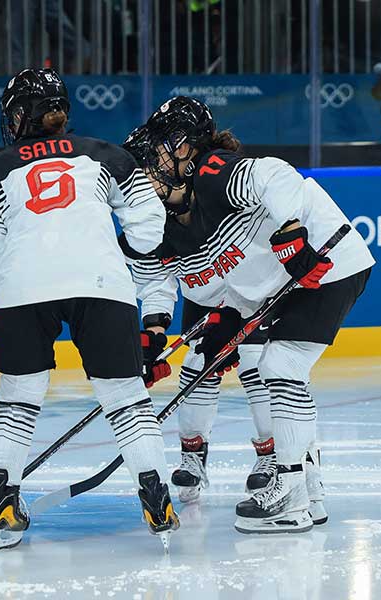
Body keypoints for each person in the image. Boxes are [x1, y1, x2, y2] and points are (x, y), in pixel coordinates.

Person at [134, 96, 374, 534]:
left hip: (327, 260)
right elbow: (238, 271)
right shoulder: (173, 216)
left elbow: (276, 175)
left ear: (185, 147)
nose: (153, 167)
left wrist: (292, 232)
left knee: (280, 366)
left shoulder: (214, 173)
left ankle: (292, 493)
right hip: (295, 281)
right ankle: (308, 493)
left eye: (160, 153)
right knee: (281, 369)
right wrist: (224, 319)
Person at [0, 68, 178, 551]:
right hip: (100, 280)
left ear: (22, 115)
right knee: (125, 396)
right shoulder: (106, 154)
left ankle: (1, 503)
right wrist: (109, 245)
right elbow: (149, 227)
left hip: (23, 283)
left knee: (17, 397)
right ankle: (157, 498)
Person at [123, 123, 276, 504]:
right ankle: (193, 455)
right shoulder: (150, 219)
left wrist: (240, 308)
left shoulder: (216, 189)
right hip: (206, 300)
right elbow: (157, 280)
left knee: (258, 364)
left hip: (256, 294)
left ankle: (271, 455)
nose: (144, 173)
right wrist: (154, 332)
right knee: (195, 369)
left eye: (153, 158)